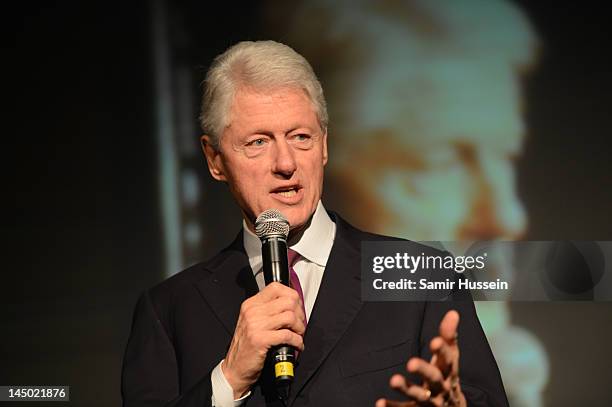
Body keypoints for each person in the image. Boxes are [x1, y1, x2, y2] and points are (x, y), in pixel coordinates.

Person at [122, 40, 507, 407]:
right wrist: (228, 379)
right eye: (258, 142)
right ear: (215, 159)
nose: (286, 163)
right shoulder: (169, 311)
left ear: (324, 145)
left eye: (301, 136)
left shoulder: (423, 279)